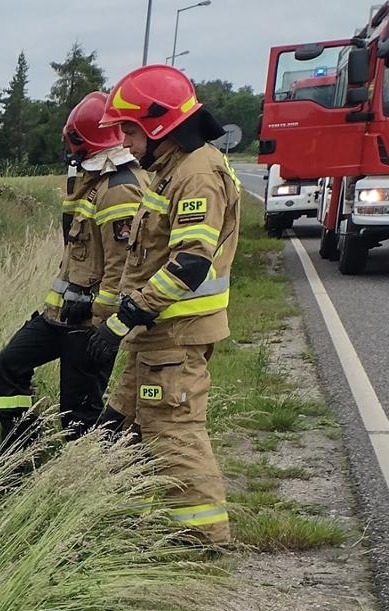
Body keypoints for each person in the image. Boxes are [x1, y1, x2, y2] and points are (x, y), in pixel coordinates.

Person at [86, 65, 239, 547]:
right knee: (122, 427)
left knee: (174, 436)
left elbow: (189, 266)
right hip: (156, 337)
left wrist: (124, 319)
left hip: (176, 336)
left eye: (129, 130)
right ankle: (120, 524)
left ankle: (201, 542)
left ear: (158, 125)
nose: (125, 143)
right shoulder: (172, 171)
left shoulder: (196, 175)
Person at [0, 92, 145, 472]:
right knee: (9, 365)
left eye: (77, 148)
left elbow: (123, 268)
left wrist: (102, 319)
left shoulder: (121, 187)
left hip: (91, 324)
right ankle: (18, 454)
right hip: (60, 315)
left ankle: (99, 477)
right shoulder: (89, 180)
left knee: (78, 417)